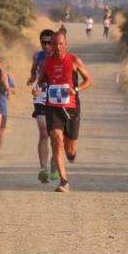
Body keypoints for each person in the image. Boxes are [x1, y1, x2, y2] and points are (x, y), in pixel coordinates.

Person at [35, 29, 93, 192]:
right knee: (56, 138)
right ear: (51, 45)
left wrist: (76, 89)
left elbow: (89, 80)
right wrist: (37, 89)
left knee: (70, 149)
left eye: (60, 44)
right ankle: (64, 181)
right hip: (53, 107)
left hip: (72, 108)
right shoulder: (45, 63)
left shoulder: (74, 60)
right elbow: (40, 82)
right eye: (54, 44)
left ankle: (71, 154)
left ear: (66, 44)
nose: (57, 47)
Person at [27, 29, 56, 182]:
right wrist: (32, 80)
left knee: (56, 134)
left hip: (56, 97)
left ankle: (54, 162)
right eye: (43, 42)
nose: (46, 46)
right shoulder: (37, 56)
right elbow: (34, 72)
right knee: (44, 131)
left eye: (48, 42)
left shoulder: (58, 57)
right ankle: (43, 169)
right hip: (40, 96)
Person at [0, 71, 16, 165]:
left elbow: (14, 90)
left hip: (2, 108)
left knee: (0, 133)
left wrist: (7, 90)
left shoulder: (5, 76)